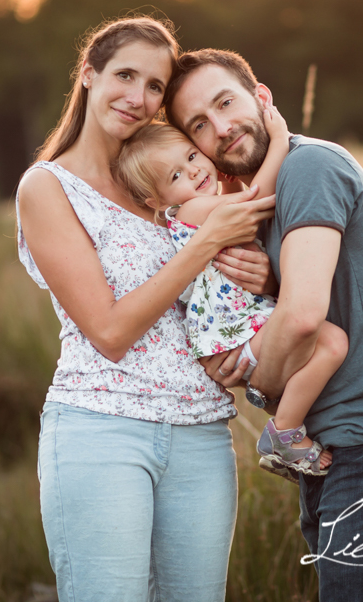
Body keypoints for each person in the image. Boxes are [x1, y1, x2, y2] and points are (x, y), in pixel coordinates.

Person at [165, 49, 363, 602]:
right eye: (199, 125)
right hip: (338, 445)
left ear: (260, 98)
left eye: (225, 103)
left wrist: (259, 388)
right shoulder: (267, 196)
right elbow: (293, 297)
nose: (221, 128)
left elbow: (299, 318)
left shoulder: (308, 167)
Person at [16, 18, 275, 602]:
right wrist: (206, 241)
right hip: (102, 432)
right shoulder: (47, 187)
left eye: (155, 85)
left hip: (203, 434)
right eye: (125, 75)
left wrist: (257, 275)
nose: (139, 97)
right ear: (88, 75)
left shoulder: (166, 177)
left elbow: (222, 278)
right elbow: (107, 332)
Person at [113, 108, 348, 474]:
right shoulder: (188, 210)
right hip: (233, 331)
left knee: (325, 346)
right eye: (176, 175)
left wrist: (229, 181)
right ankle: (284, 432)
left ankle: (289, 426)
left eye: (192, 156)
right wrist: (280, 142)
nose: (193, 170)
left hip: (240, 323)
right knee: (332, 344)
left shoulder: (204, 202)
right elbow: (257, 199)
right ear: (158, 202)